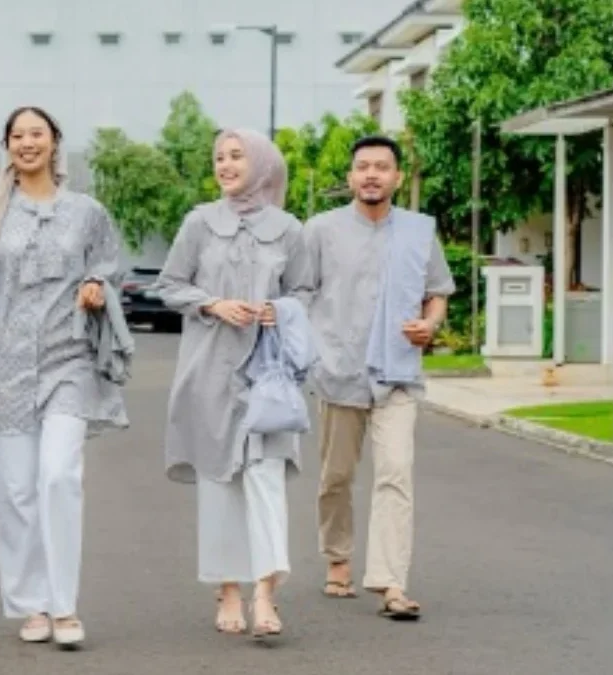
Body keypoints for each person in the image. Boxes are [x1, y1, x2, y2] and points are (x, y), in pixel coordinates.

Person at [0, 105, 129, 649]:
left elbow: (110, 260)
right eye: (18, 135)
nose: (28, 143)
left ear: (55, 143)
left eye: (38, 134)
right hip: (3, 366)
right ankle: (31, 603)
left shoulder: (86, 212)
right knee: (18, 492)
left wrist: (97, 281)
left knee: (58, 476)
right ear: (7, 146)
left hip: (68, 358)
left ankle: (65, 605)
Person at [156, 129, 313, 639]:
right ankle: (227, 590)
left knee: (265, 481)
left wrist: (279, 310)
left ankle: (265, 592)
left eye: (236, 156)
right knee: (219, 484)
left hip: (267, 375)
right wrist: (213, 304)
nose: (225, 164)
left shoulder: (290, 229)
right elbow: (170, 285)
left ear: (263, 164)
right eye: (219, 157)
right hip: (209, 369)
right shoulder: (199, 223)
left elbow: (307, 292)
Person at [304, 135, 455, 621]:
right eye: (363, 167)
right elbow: (300, 295)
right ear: (350, 177)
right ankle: (338, 557)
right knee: (336, 477)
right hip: (339, 371)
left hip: (398, 374)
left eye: (382, 167)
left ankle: (392, 583)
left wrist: (429, 325)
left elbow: (437, 292)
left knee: (395, 475)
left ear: (396, 177)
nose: (372, 174)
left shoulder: (418, 231)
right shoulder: (320, 231)